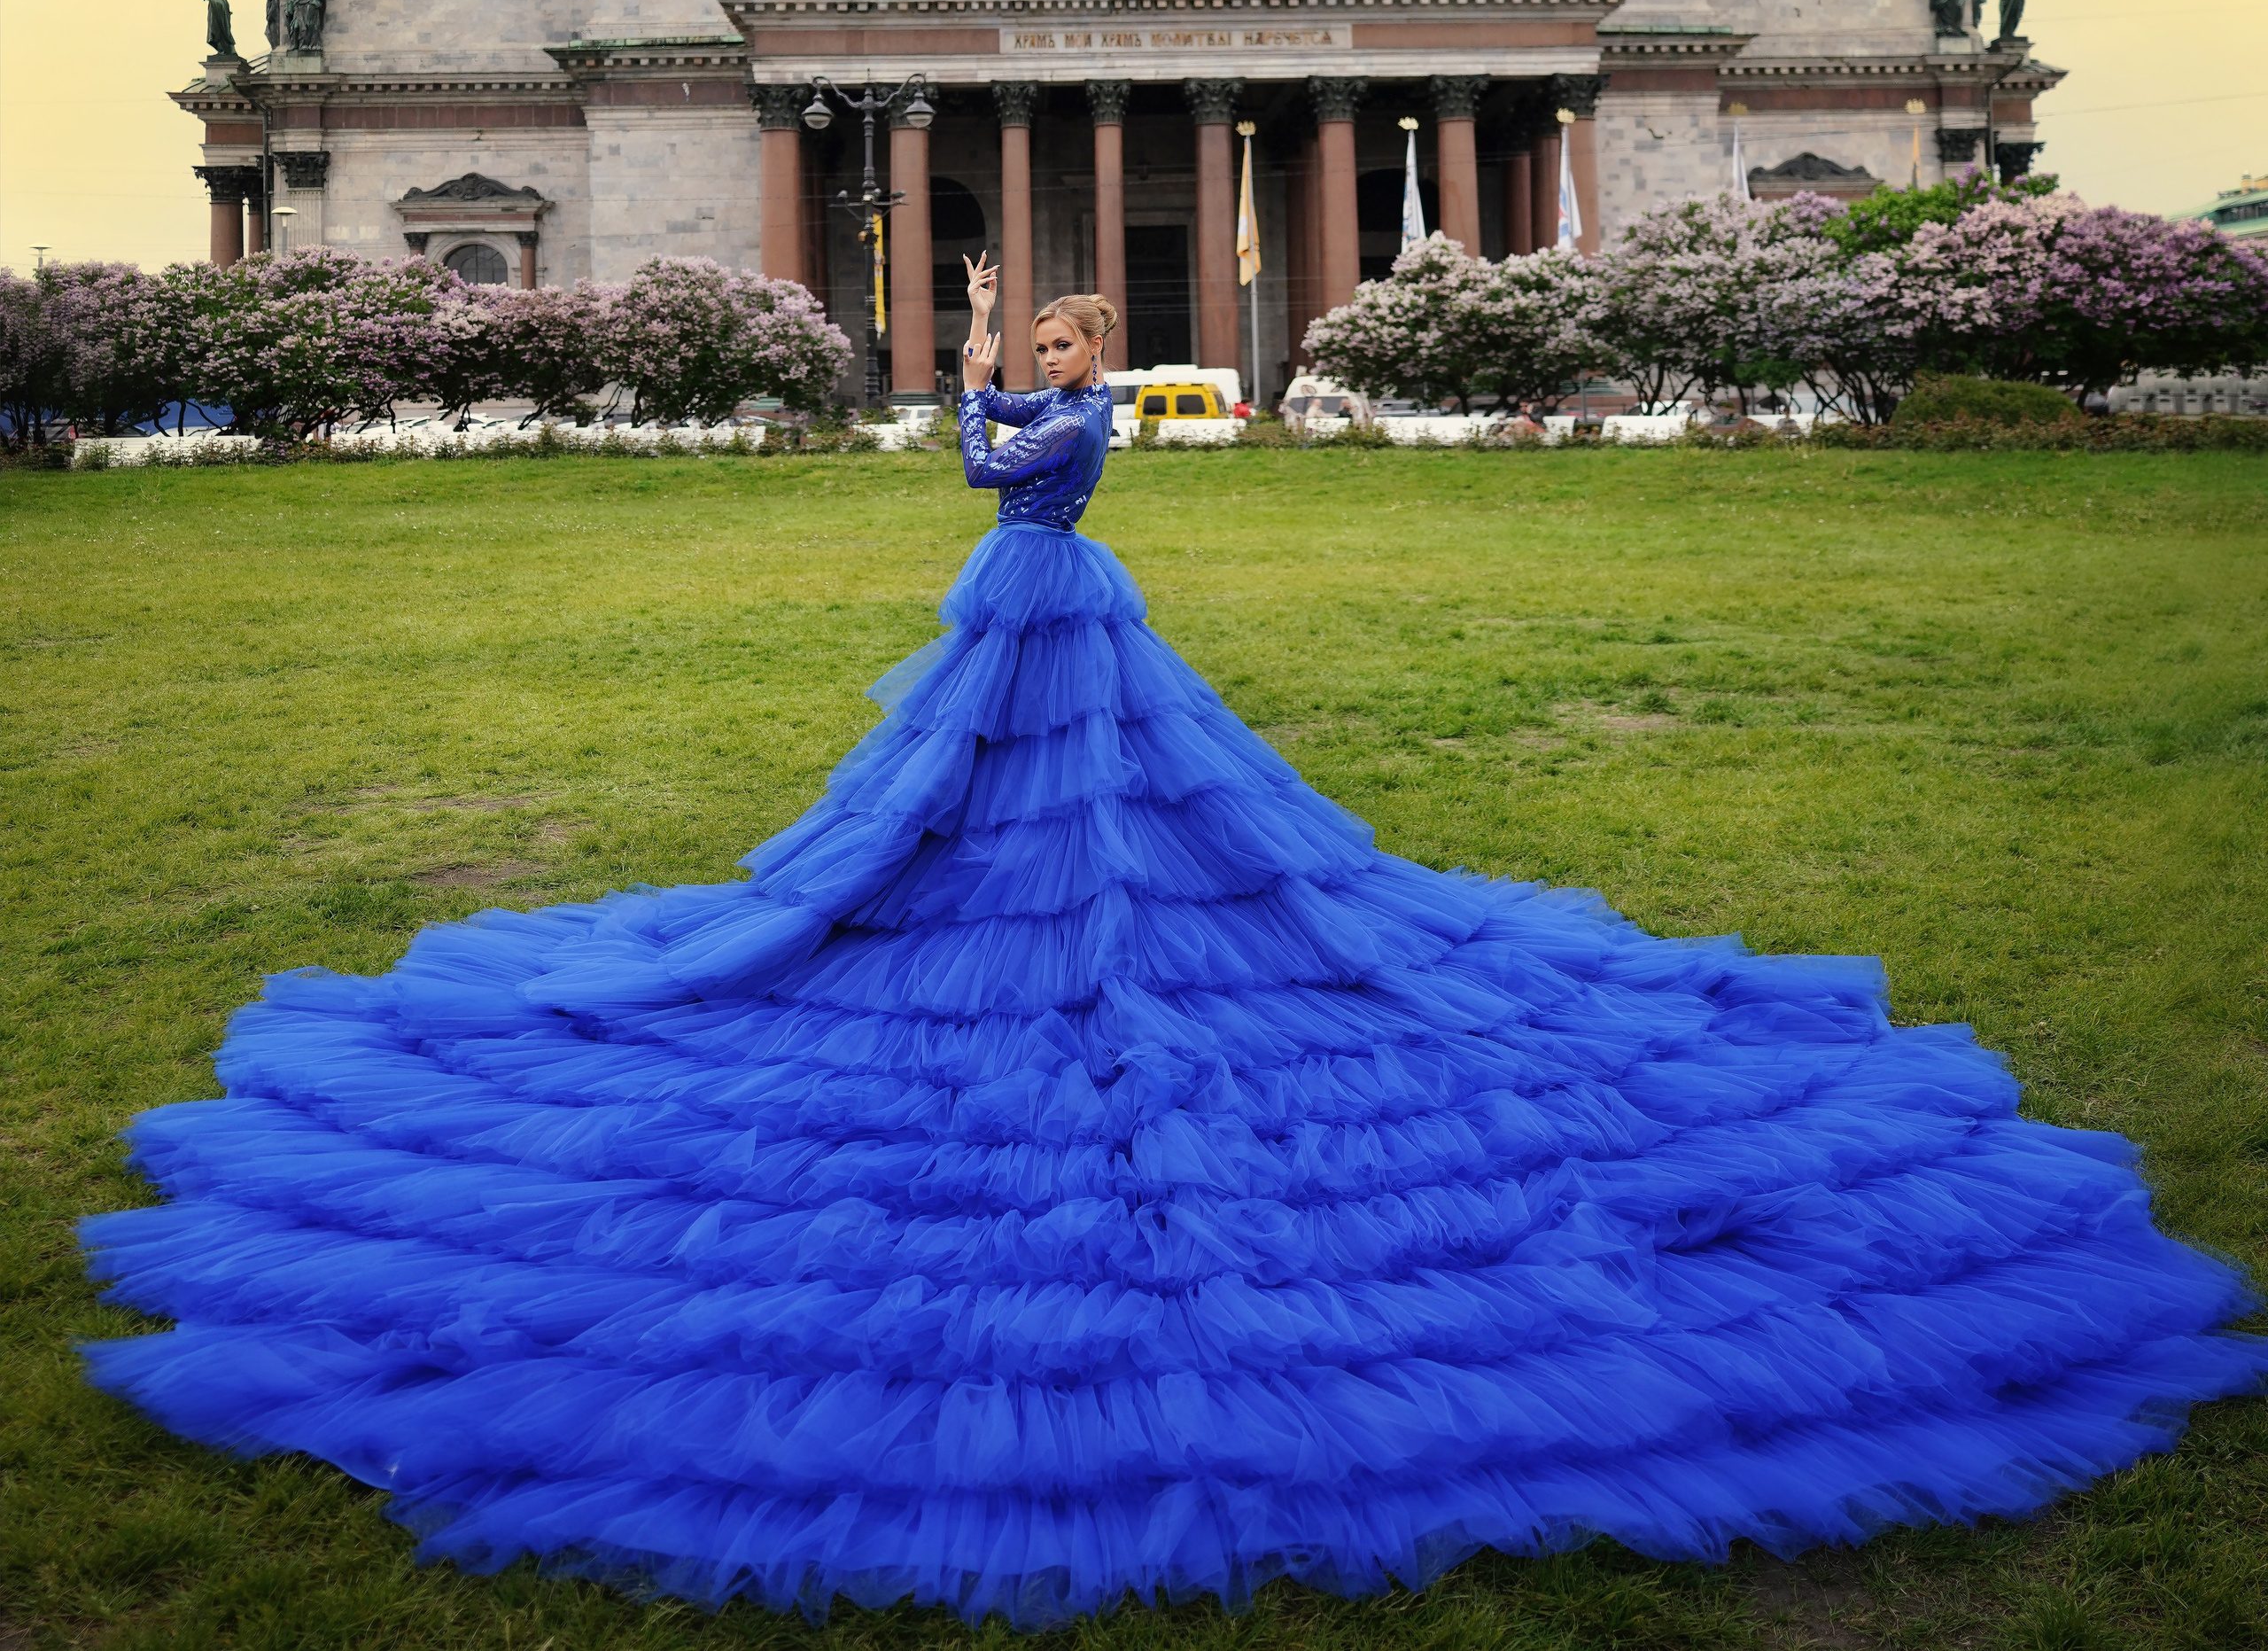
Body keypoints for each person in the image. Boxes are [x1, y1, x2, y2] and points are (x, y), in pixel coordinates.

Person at [80, 264, 2263, 1628]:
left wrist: (991, 398)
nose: (1040, 352)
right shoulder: (1022, 401)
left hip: (1063, 610)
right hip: (1004, 616)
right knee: (958, 816)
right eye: (1034, 338)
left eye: (1056, 339)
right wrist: (953, 372)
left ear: (1091, 351)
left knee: (1116, 828)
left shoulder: (1094, 416)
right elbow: (968, 465)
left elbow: (1014, 464)